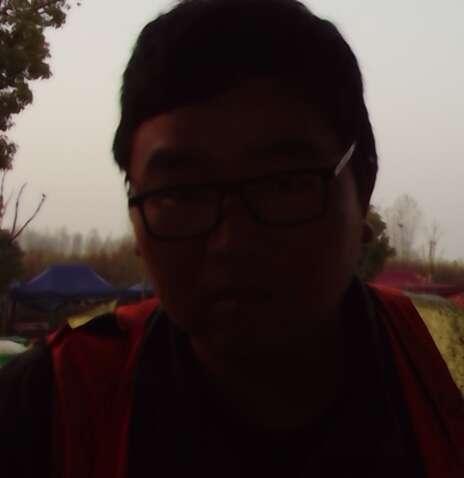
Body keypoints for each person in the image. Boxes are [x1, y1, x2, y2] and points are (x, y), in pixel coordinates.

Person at [1, 1, 463, 477]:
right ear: (135, 217)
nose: (233, 242)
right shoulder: (49, 408)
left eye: (283, 185)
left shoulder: (447, 368)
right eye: (181, 193)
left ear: (362, 190)